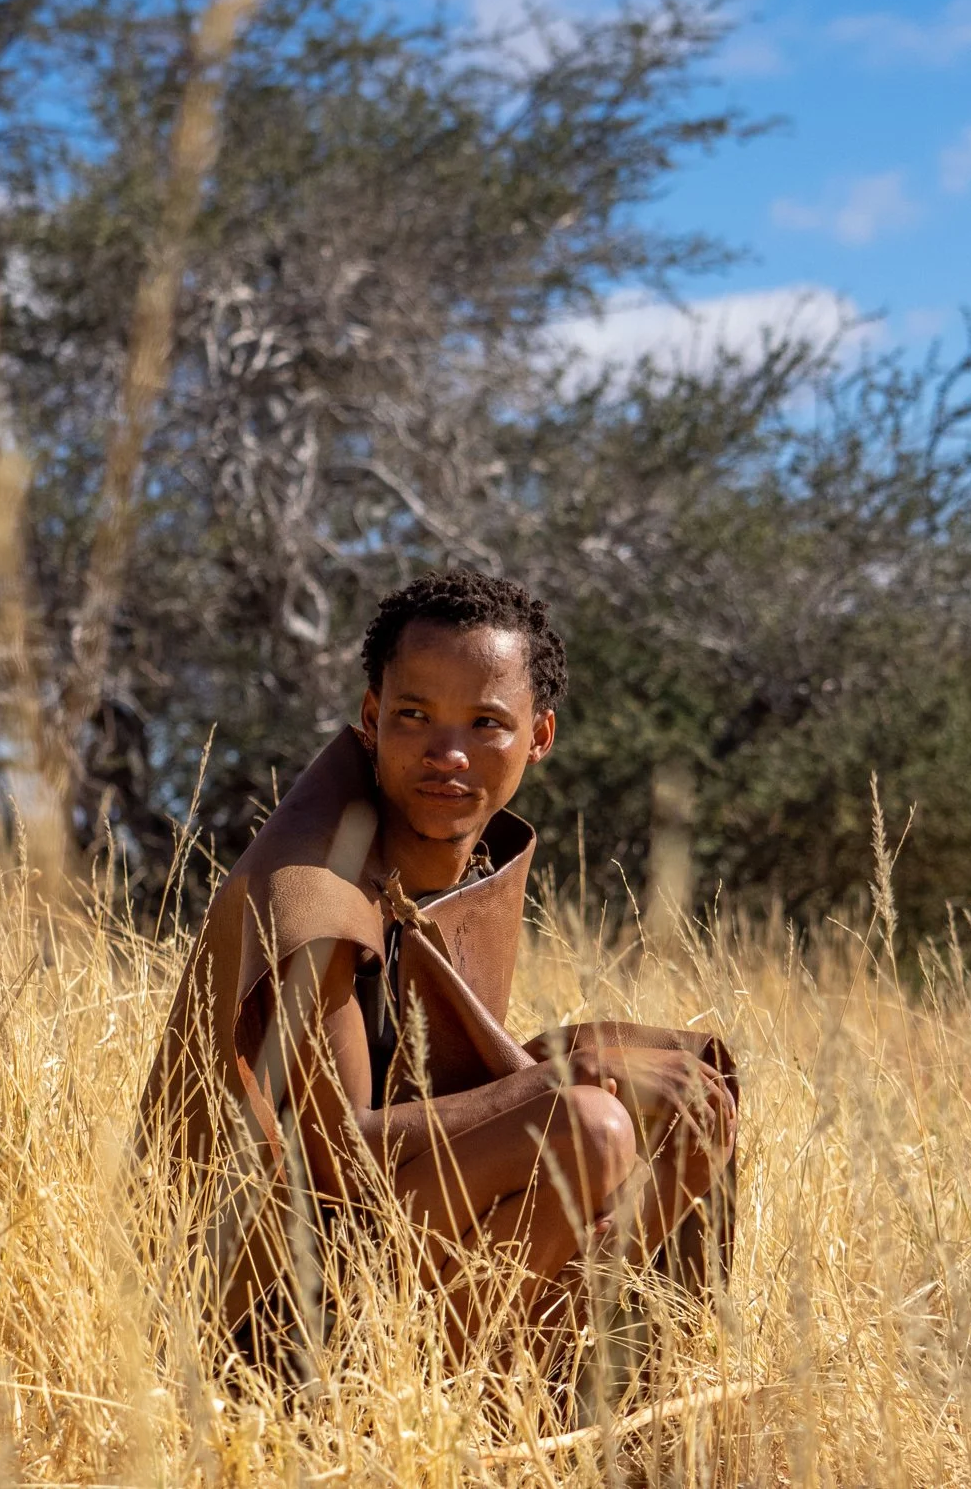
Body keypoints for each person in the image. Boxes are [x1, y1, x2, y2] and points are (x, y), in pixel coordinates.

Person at [136, 570, 738, 1369]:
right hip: (255, 1303)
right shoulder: (311, 887)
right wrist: (568, 1075)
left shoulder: (465, 861)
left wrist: (611, 1076)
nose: (446, 754)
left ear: (538, 737)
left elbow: (442, 1086)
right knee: (590, 1126)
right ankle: (381, 1414)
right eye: (414, 716)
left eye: (486, 722)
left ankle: (521, 1402)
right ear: (371, 718)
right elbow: (342, 1156)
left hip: (389, 1254)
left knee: (692, 1098)